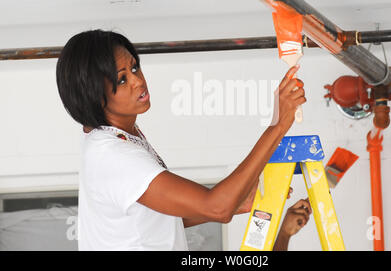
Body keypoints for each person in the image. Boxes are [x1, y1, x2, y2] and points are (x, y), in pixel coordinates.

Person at [56, 29, 307, 250]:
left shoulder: (116, 139)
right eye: (122, 80)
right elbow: (216, 207)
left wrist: (236, 203)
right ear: (93, 96)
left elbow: (155, 217)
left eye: (134, 67)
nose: (138, 80)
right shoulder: (114, 156)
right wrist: (278, 126)